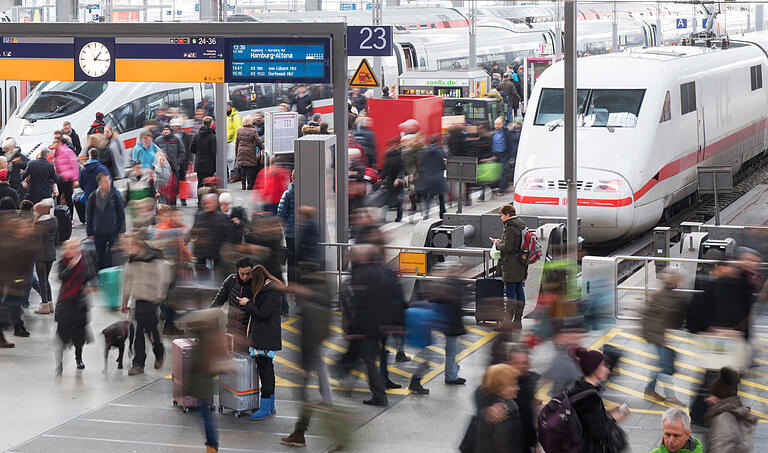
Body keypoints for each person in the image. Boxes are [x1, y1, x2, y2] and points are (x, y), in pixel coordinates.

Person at [336, 245, 391, 407]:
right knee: (363, 356)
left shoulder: (361, 276)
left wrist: (352, 329)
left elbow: (357, 305)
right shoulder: (378, 271)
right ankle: (348, 383)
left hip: (365, 327)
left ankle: (379, 395)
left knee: (366, 358)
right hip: (376, 325)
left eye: (351, 255)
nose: (348, 257)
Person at [243, 264, 286, 420]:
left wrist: (247, 304)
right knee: (268, 370)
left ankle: (265, 407)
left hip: (265, 338)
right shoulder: (271, 290)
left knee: (265, 372)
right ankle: (270, 405)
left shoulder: (271, 293)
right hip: (266, 336)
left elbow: (262, 313)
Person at [121, 235, 168, 376]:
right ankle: (138, 363)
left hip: (151, 301)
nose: (128, 249)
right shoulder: (131, 261)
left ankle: (159, 352)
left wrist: (159, 296)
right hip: (139, 300)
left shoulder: (154, 260)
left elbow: (163, 278)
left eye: (130, 246)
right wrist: (124, 301)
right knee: (139, 331)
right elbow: (127, 282)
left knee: (152, 331)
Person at [566, 347, 628, 453]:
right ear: (594, 368)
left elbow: (587, 419)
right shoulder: (589, 398)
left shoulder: (579, 388)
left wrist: (607, 412)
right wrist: (614, 418)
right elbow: (598, 433)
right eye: (604, 366)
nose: (608, 371)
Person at [642, 267, 686, 406]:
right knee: (666, 367)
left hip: (658, 336)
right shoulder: (668, 296)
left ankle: (649, 389)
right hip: (660, 337)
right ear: (675, 281)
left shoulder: (664, 294)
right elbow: (671, 319)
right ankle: (670, 396)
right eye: (680, 280)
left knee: (660, 365)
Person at [54, 239, 94, 374]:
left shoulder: (84, 259)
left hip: (80, 301)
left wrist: (86, 286)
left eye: (76, 247)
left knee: (79, 334)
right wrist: (71, 266)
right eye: (71, 248)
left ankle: (79, 358)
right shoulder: (62, 262)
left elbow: (90, 274)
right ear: (66, 249)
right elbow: (62, 277)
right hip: (65, 301)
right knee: (62, 334)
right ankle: (59, 363)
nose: (74, 250)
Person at [493, 204, 529, 328]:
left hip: (511, 265)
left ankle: (507, 324)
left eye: (502, 215)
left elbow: (507, 248)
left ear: (508, 214)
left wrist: (497, 244)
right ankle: (517, 321)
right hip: (520, 264)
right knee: (519, 293)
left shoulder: (510, 228)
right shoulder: (520, 224)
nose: (501, 218)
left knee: (510, 296)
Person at [705, 367, 757, 453]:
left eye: (713, 396)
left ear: (720, 398)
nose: (708, 399)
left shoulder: (723, 418)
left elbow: (721, 449)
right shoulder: (736, 412)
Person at [476, 364, 523, 453]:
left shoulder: (491, 404)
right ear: (501, 388)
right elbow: (503, 446)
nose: (518, 388)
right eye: (513, 385)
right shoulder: (504, 412)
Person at [86, 173, 126, 270]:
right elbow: (89, 216)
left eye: (109, 181)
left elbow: (121, 214)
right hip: (98, 232)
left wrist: (122, 231)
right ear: (100, 183)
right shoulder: (93, 197)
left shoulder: (114, 195)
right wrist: (90, 233)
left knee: (113, 256)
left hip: (112, 231)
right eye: (106, 181)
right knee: (99, 257)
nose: (109, 183)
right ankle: (101, 276)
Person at [191, 193, 231, 281]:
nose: (207, 205)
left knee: (219, 277)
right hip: (201, 252)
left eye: (210, 203)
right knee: (201, 277)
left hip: (217, 251)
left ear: (216, 204)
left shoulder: (222, 217)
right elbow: (194, 231)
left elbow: (228, 235)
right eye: (205, 203)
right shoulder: (198, 215)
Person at [31, 200, 58, 316]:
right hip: (51, 254)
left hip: (40, 256)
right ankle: (50, 304)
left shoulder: (38, 224)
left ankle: (44, 305)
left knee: (42, 280)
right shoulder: (54, 220)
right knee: (46, 279)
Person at [416, 134, 447, 220]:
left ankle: (425, 215)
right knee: (441, 198)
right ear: (437, 141)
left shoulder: (423, 151)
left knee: (426, 198)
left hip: (426, 178)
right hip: (438, 178)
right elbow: (444, 165)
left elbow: (420, 164)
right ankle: (442, 215)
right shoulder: (441, 151)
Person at [155, 124, 185, 202]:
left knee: (173, 187)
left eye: (167, 129)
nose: (165, 131)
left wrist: (178, 162)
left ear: (170, 130)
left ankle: (173, 203)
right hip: (162, 167)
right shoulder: (158, 140)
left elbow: (182, 152)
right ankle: (163, 203)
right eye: (164, 129)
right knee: (163, 186)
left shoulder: (176, 139)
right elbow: (155, 152)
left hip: (174, 167)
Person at [234, 115, 263, 190]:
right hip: (250, 150)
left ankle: (243, 185)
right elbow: (258, 141)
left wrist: (236, 152)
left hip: (241, 150)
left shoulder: (239, 130)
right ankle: (249, 185)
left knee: (243, 166)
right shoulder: (253, 130)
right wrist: (262, 147)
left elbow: (237, 142)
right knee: (250, 167)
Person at [51, 138, 79, 214]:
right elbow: (53, 165)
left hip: (67, 179)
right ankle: (59, 216)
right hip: (58, 178)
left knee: (68, 198)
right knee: (57, 197)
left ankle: (70, 218)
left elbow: (74, 165)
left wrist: (75, 179)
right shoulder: (54, 152)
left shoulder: (68, 151)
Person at [277, 174, 296, 282]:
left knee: (292, 261)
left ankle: (292, 283)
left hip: (291, 233)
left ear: (292, 178)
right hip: (302, 233)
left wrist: (285, 227)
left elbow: (281, 214)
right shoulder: (307, 192)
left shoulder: (288, 194)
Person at [191, 116, 217, 180]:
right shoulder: (212, 136)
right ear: (211, 124)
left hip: (199, 163)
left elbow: (192, 149)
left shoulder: (196, 135)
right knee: (209, 183)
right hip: (209, 164)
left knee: (200, 184)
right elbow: (213, 151)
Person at [226, 101, 242, 176]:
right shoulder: (225, 116)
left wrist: (236, 140)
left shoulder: (235, 116)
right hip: (226, 141)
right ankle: (230, 174)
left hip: (232, 140)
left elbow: (237, 129)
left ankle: (232, 174)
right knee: (228, 159)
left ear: (229, 107)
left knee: (231, 158)